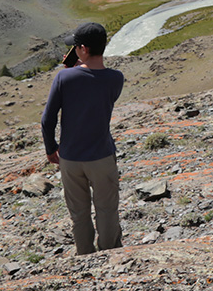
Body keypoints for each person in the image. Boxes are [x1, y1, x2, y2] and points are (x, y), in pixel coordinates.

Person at [40, 21, 125, 255]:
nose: (74, 50)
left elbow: (48, 120)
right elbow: (97, 87)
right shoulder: (116, 78)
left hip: (70, 157)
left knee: (79, 213)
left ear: (83, 49)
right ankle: (110, 253)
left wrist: (51, 149)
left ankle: (85, 254)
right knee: (107, 209)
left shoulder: (64, 78)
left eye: (76, 46)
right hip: (102, 157)